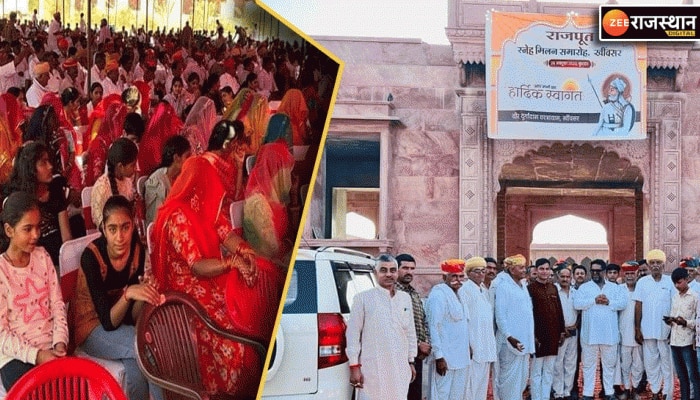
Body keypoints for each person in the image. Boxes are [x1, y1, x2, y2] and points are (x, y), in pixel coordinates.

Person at [151, 120, 283, 397]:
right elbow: (197, 265)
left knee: (260, 291)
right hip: (187, 290)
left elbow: (224, 233)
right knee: (239, 343)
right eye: (209, 184)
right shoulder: (177, 217)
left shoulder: (204, 207)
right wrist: (230, 263)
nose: (215, 191)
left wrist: (245, 253)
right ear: (198, 184)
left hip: (210, 278)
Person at [72, 195, 162, 400]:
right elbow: (107, 322)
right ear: (103, 228)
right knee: (147, 348)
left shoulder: (137, 251)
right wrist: (129, 294)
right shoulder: (91, 256)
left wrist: (144, 294)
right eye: (112, 229)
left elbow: (133, 317)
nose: (120, 237)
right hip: (91, 328)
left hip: (120, 324)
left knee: (136, 366)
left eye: (125, 227)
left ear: (133, 225)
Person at [0, 192, 69, 392]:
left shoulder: (42, 257)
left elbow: (57, 305)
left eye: (38, 227)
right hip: (16, 356)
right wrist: (37, 356)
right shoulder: (2, 272)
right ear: (9, 230)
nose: (36, 235)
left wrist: (59, 342)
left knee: (73, 389)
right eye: (27, 229)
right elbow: (1, 334)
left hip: (50, 348)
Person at [346, 254, 417, 400]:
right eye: (383, 270)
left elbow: (410, 332)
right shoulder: (362, 299)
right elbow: (353, 334)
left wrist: (411, 361)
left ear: (397, 273)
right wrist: (354, 366)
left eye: (393, 270)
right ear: (375, 273)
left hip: (399, 367)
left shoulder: (405, 298)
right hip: (373, 368)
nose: (389, 274)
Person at [3, 142, 72, 269]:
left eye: (49, 161)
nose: (50, 166)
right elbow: (17, 243)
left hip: (57, 257)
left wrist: (67, 265)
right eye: (43, 163)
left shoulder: (56, 189)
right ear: (30, 169)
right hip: (30, 259)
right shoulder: (18, 199)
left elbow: (66, 237)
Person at [242, 114, 296, 264]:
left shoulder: (273, 199)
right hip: (266, 262)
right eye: (284, 172)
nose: (288, 179)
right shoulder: (260, 207)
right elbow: (272, 251)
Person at [574, 259, 626, 400]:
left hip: (609, 334)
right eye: (593, 271)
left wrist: (609, 302)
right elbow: (577, 304)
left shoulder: (615, 288)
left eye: (598, 271)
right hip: (589, 335)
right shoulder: (584, 288)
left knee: (609, 365)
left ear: (604, 272)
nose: (595, 273)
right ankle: (588, 394)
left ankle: (609, 392)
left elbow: (623, 304)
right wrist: (594, 300)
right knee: (588, 365)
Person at [634, 249, 676, 400]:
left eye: (658, 263)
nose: (656, 265)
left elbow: (674, 305)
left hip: (665, 330)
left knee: (667, 363)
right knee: (651, 364)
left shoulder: (670, 282)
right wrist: (637, 328)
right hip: (647, 330)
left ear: (663, 265)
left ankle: (668, 393)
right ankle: (656, 391)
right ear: (649, 265)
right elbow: (638, 305)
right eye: (652, 263)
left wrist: (673, 329)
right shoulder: (642, 282)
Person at [426, 258, 470, 400]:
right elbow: (434, 326)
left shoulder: (460, 294)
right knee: (441, 395)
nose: (458, 280)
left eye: (460, 276)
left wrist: (468, 346)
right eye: (454, 276)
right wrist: (439, 357)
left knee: (457, 396)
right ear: (445, 277)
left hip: (461, 357)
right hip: (445, 359)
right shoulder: (438, 295)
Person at [494, 254, 535, 400]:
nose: (525, 270)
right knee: (508, 380)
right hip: (510, 341)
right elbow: (500, 315)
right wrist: (508, 336)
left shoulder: (522, 285)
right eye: (521, 267)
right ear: (512, 270)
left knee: (521, 380)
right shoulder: (503, 286)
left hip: (523, 341)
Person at [528, 258, 566, 400]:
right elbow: (529, 315)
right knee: (537, 371)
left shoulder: (553, 288)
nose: (544, 272)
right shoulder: (530, 289)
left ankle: (544, 397)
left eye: (547, 269)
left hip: (553, 335)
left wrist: (561, 331)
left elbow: (559, 311)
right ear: (536, 271)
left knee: (549, 370)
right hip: (539, 337)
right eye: (541, 269)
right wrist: (533, 336)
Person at [395, 253, 431, 400]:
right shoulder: (393, 294)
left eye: (412, 268)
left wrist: (426, 343)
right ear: (396, 269)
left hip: (418, 355)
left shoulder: (413, 293)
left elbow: (423, 321)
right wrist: (417, 345)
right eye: (405, 268)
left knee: (414, 394)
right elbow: (395, 327)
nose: (409, 272)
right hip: (400, 354)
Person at [461, 256, 497, 400]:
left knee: (481, 388)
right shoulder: (465, 290)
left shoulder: (483, 290)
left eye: (483, 270)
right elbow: (465, 320)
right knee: (471, 387)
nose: (481, 274)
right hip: (474, 346)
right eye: (477, 271)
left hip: (485, 346)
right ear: (469, 273)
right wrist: (468, 344)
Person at [90, 138, 138, 228]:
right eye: (133, 165)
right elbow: (102, 226)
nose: (135, 168)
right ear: (120, 166)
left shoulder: (127, 181)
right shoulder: (101, 188)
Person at [667, 267, 699, 400]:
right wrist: (671, 320)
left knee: (693, 376)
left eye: (679, 282)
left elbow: (697, 322)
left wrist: (685, 323)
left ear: (687, 279)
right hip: (674, 341)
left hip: (687, 342)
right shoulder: (675, 297)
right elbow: (673, 315)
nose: (676, 285)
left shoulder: (695, 297)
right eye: (674, 283)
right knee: (681, 376)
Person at [144, 135, 191, 225]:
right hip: (162, 228)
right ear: (176, 158)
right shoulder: (157, 181)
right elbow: (156, 219)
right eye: (187, 156)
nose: (190, 160)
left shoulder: (181, 176)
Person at [552, 265, 579, 400]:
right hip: (559, 333)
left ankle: (567, 391)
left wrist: (575, 326)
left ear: (571, 278)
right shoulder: (554, 292)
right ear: (557, 277)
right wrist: (562, 330)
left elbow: (579, 312)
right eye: (562, 276)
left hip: (573, 331)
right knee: (558, 363)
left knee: (570, 363)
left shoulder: (575, 292)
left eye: (567, 277)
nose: (565, 279)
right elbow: (552, 313)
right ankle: (558, 392)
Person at [619, 261, 644, 400]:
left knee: (638, 365)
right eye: (627, 273)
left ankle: (635, 389)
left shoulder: (642, 289)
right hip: (623, 333)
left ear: (637, 274)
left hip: (639, 334)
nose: (629, 276)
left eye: (632, 273)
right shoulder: (619, 289)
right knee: (625, 364)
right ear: (624, 274)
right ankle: (626, 389)